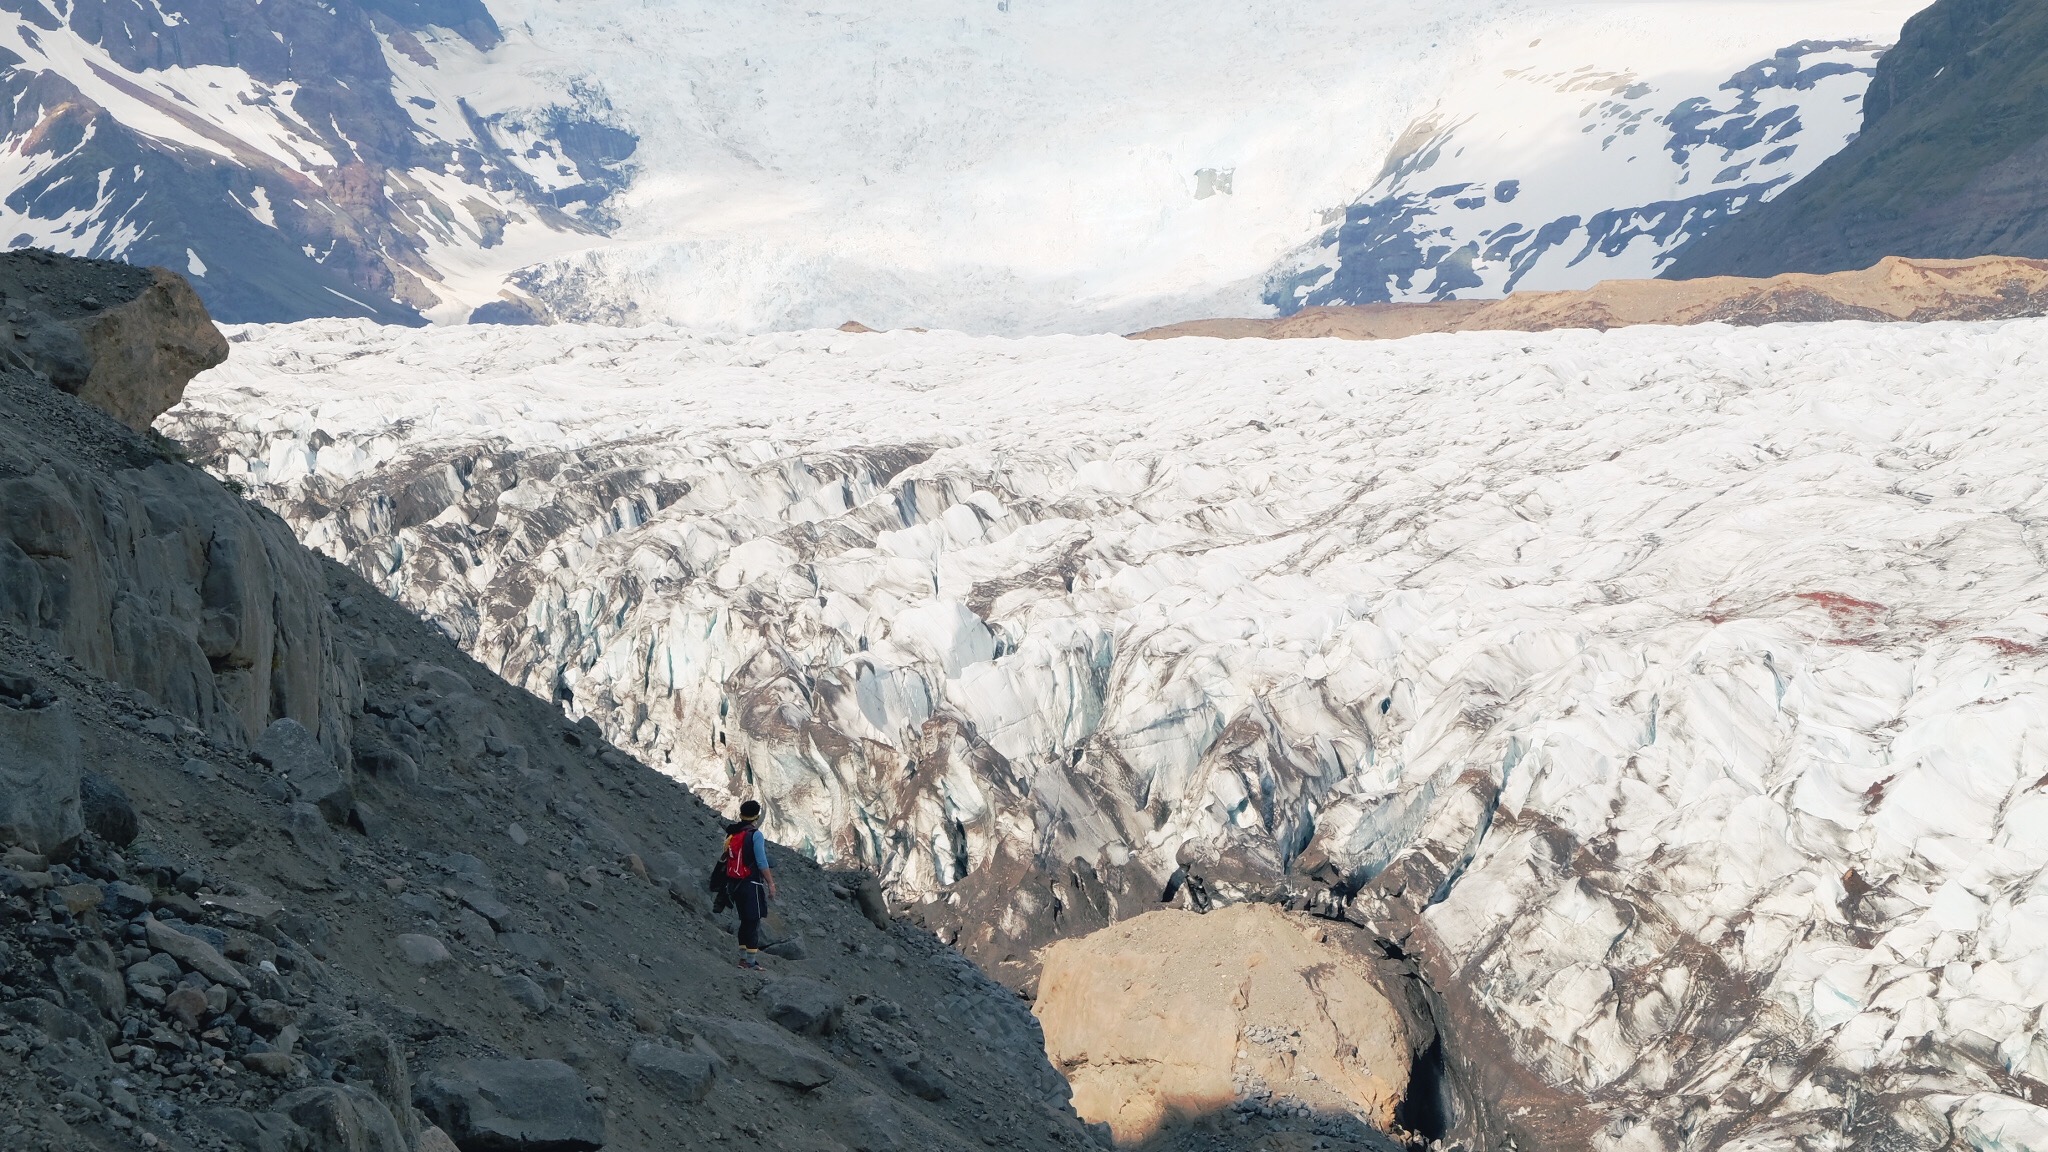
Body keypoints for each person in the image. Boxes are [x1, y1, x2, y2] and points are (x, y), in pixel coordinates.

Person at [723, 800, 777, 969]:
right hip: (751, 883)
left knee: (745, 921)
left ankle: (742, 959)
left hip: (735, 884)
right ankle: (751, 962)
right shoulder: (755, 835)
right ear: (757, 816)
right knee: (753, 922)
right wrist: (771, 883)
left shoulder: (732, 834)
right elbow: (761, 862)